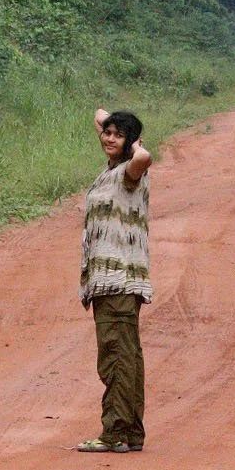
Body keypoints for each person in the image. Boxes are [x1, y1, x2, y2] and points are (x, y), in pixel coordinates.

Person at [78, 106, 153, 452]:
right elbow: (98, 113)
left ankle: (116, 433)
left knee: (116, 358)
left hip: (117, 281)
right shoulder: (111, 170)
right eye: (107, 133)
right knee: (127, 357)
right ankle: (130, 432)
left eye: (117, 135)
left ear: (130, 143)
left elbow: (145, 159)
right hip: (111, 282)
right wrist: (117, 127)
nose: (108, 138)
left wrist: (136, 146)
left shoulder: (128, 173)